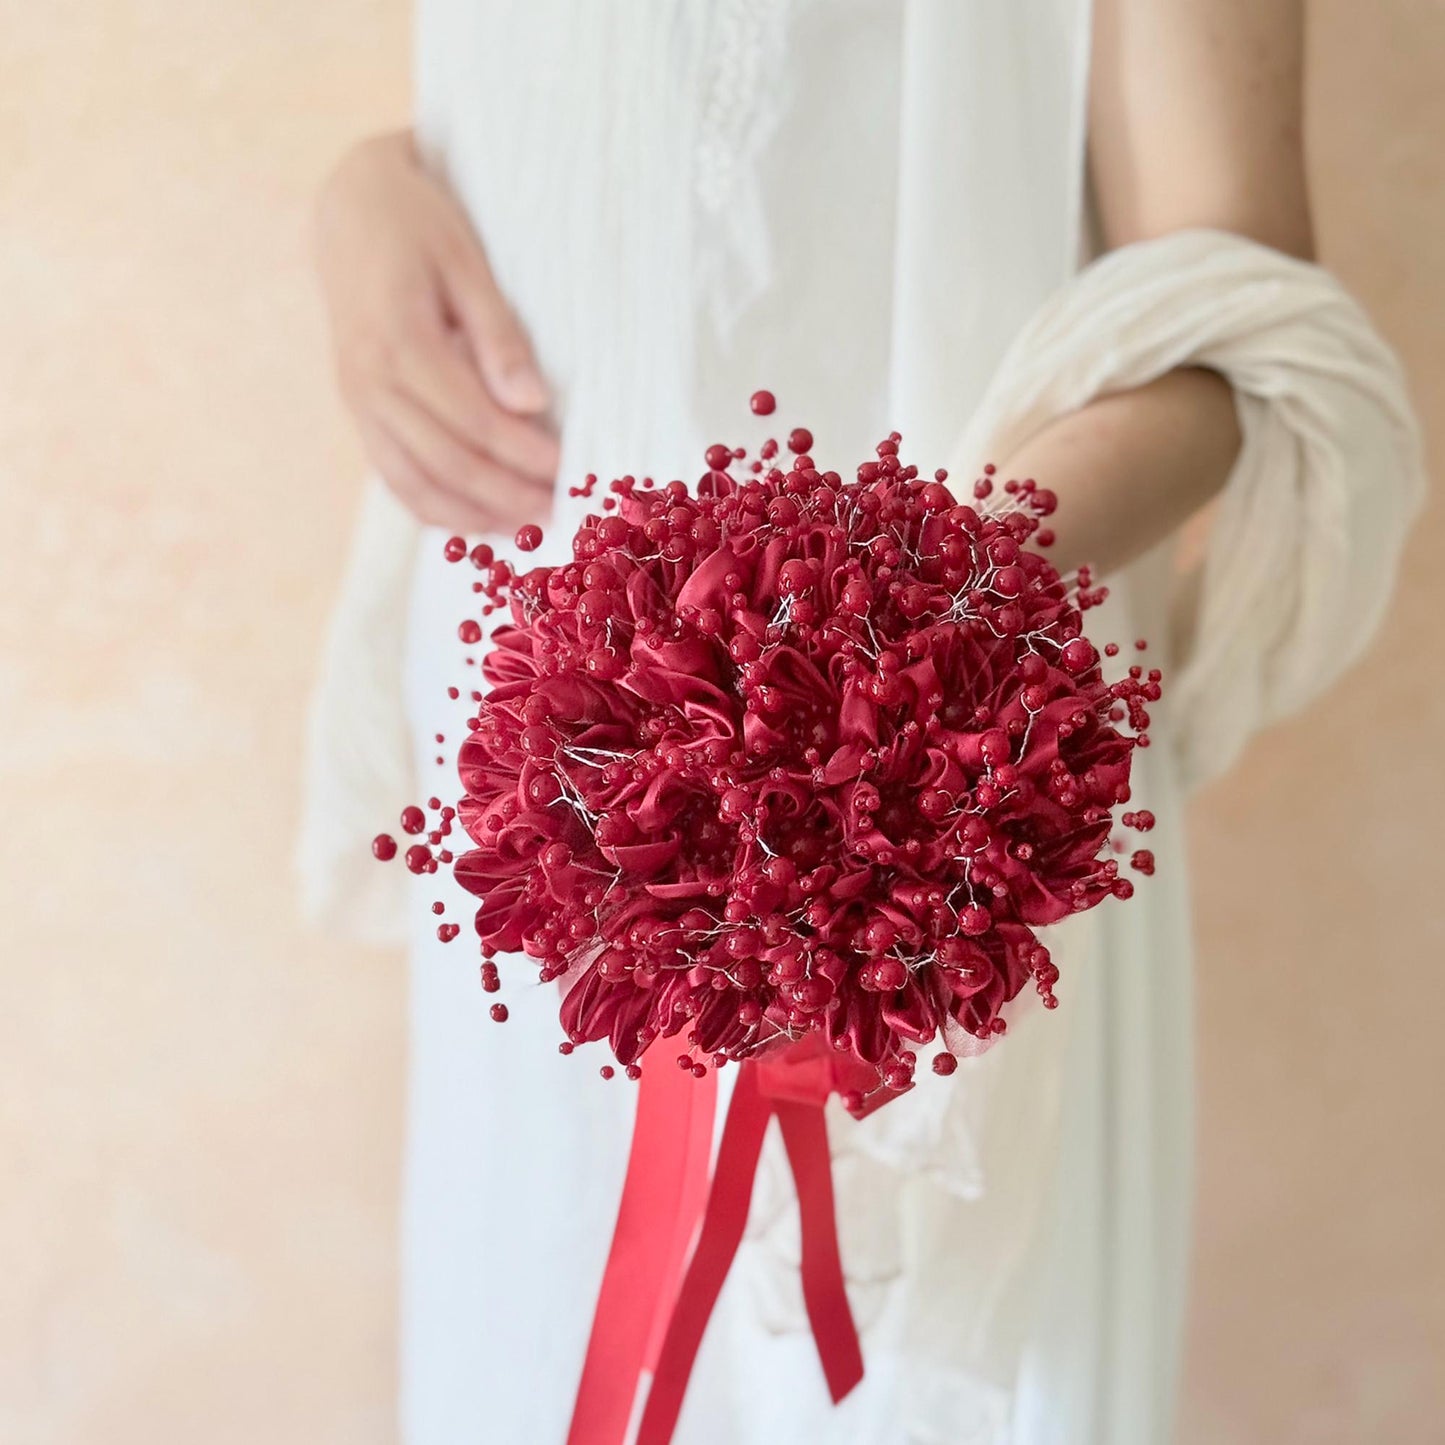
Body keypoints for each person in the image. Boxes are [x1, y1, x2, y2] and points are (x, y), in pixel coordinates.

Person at [301, 2, 1423, 1441]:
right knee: (534, 1320)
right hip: (544, 798)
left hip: (925, 780)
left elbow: (1234, 321)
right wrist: (363, 192)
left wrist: (890, 628)